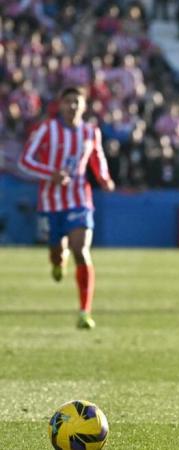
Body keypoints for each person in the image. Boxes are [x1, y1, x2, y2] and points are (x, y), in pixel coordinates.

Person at [18, 86, 115, 329]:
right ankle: (57, 262)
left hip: (80, 199)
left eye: (77, 102)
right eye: (68, 101)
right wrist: (50, 174)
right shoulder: (46, 129)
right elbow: (25, 161)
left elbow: (97, 159)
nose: (72, 106)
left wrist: (105, 179)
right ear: (60, 105)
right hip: (51, 202)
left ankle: (85, 311)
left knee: (80, 249)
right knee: (56, 250)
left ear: (84, 106)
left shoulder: (91, 132)